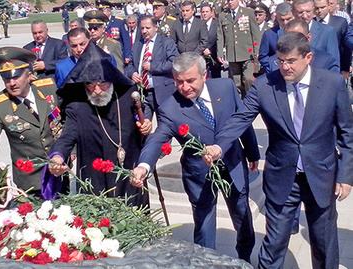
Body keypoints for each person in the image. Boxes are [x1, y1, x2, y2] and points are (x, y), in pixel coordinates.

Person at [203, 32, 353, 269]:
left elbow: (347, 134)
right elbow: (241, 118)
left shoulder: (332, 84)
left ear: (308, 57)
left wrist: (345, 175)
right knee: (273, 244)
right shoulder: (265, 85)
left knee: (324, 243)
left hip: (321, 175)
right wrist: (219, 145)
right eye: (280, 61)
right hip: (282, 177)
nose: (284, 67)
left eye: (291, 61)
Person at [131, 52, 260, 262]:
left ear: (204, 75)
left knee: (242, 218)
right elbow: (156, 140)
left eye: (191, 80)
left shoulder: (225, 88)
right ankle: (207, 262)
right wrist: (143, 166)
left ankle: (244, 259)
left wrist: (252, 151)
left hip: (233, 164)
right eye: (179, 82)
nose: (185, 87)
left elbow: (241, 120)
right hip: (200, 175)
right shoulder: (170, 109)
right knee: (204, 226)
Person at [47, 42, 152, 207]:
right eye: (90, 84)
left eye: (102, 83)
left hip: (128, 175)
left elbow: (142, 115)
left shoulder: (126, 95)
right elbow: (67, 135)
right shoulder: (77, 104)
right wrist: (58, 156)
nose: (96, 90)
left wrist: (145, 123)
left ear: (111, 78)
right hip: (94, 178)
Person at [0, 47, 62, 197]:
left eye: (16, 77)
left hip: (59, 170)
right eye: (6, 79)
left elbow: (65, 121)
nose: (11, 83)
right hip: (30, 180)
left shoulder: (48, 89)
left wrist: (70, 151)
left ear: (29, 75)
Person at [126, 15, 178, 114]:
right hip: (142, 94)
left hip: (161, 92)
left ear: (156, 28)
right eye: (142, 28)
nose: (144, 31)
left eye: (148, 28)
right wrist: (132, 73)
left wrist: (152, 67)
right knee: (143, 126)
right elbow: (130, 64)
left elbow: (174, 63)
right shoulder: (138, 45)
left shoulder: (167, 43)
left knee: (164, 125)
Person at [217, 0, 261, 97]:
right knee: (236, 82)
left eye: (232, 0)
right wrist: (220, 53)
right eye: (228, 1)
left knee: (248, 78)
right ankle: (240, 101)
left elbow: (255, 34)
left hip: (247, 52)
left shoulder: (248, 13)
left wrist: (256, 50)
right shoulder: (223, 16)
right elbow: (220, 36)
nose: (230, 2)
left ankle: (251, 98)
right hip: (232, 54)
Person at [314, 0, 350, 79]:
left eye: (322, 7)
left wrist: (345, 68)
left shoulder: (340, 22)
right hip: (315, 68)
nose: (319, 11)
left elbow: (345, 48)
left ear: (328, 6)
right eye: (317, 8)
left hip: (335, 66)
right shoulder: (310, 23)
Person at [259, 2, 294, 73]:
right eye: (282, 20)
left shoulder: (300, 30)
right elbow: (263, 56)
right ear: (277, 18)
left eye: (288, 19)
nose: (285, 23)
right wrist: (272, 67)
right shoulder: (269, 34)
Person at [201, 3, 222, 78]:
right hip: (202, 57)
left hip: (214, 57)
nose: (205, 14)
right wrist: (203, 49)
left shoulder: (217, 25)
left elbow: (220, 40)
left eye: (207, 12)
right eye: (203, 12)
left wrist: (211, 50)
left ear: (211, 12)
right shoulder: (198, 25)